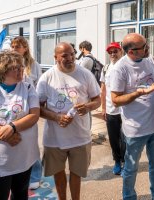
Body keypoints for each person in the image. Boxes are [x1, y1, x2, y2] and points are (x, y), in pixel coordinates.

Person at [36, 42, 101, 200]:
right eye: (65, 55)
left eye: (72, 54)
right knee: (58, 174)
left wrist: (87, 107)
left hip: (80, 136)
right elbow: (37, 108)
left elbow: (97, 100)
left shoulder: (85, 74)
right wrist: (57, 117)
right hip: (54, 138)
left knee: (76, 174)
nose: (70, 58)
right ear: (56, 57)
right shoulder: (46, 78)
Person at [110, 33, 154, 200]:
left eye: (146, 44)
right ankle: (129, 196)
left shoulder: (151, 61)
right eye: (144, 47)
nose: (148, 48)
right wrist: (138, 93)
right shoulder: (120, 68)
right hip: (135, 130)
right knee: (131, 168)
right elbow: (115, 100)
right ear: (132, 51)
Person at [0, 51, 40, 200]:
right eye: (15, 68)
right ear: (3, 70)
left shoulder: (28, 87)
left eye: (21, 67)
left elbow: (34, 115)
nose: (20, 71)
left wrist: (12, 127)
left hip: (24, 157)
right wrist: (5, 136)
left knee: (20, 194)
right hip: (1, 160)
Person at [11, 36, 42, 190]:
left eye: (17, 46)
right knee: (14, 140)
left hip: (30, 105)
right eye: (13, 46)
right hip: (12, 105)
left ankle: (35, 175)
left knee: (31, 142)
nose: (14, 48)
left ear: (25, 48)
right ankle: (16, 172)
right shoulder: (8, 62)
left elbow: (39, 84)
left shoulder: (33, 64)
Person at [100, 42, 125, 175]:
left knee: (126, 138)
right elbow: (103, 90)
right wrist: (103, 108)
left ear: (121, 51)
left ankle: (125, 161)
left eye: (115, 51)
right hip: (111, 110)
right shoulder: (106, 68)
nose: (113, 54)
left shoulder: (127, 66)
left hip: (126, 110)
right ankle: (117, 160)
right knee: (113, 138)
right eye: (110, 52)